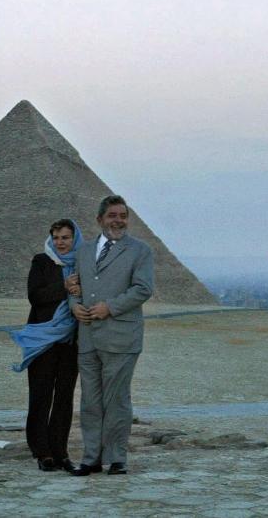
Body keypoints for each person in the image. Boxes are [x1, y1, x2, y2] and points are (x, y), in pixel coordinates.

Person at [69, 195, 154, 476]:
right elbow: (76, 286)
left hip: (121, 337)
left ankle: (117, 459)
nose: (118, 220)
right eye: (112, 215)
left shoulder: (139, 251)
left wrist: (110, 308)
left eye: (123, 215)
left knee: (116, 400)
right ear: (99, 219)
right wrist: (75, 307)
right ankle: (91, 458)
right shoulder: (84, 250)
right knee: (90, 402)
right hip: (88, 336)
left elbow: (143, 289)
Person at [10, 219, 84, 472]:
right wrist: (64, 287)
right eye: (57, 238)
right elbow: (35, 296)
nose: (60, 243)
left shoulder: (82, 264)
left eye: (66, 237)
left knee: (64, 398)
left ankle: (61, 451)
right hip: (42, 339)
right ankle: (42, 452)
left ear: (75, 238)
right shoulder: (41, 261)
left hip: (71, 340)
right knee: (41, 396)